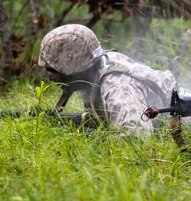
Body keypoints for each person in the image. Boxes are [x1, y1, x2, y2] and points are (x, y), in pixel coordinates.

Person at [37, 24, 176, 134]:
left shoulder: (117, 86)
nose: (50, 78)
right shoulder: (101, 63)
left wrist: (89, 136)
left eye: (53, 70)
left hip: (189, 122)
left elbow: (137, 136)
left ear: (73, 65)